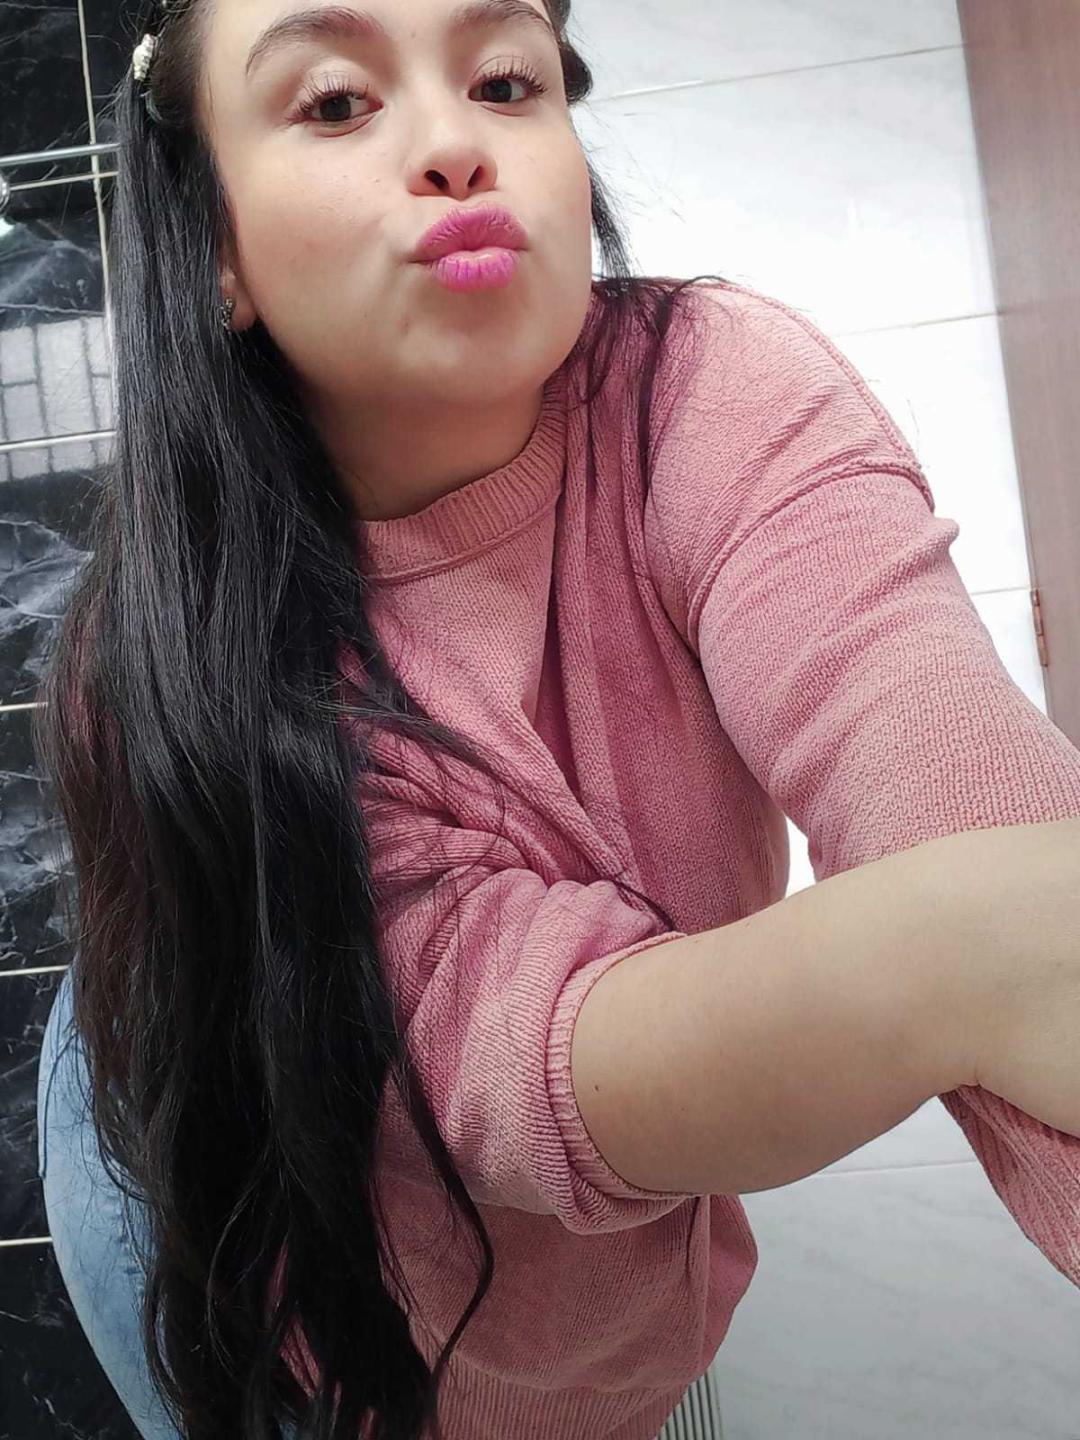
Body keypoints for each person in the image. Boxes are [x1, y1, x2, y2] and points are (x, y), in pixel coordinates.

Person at [33, 0, 1080, 1437]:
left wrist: (995, 941)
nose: (454, 142)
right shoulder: (168, 669)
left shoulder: (710, 390)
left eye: (504, 79)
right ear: (217, 252)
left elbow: (934, 756)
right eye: (337, 103)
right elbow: (535, 1073)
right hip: (260, 1248)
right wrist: (952, 954)